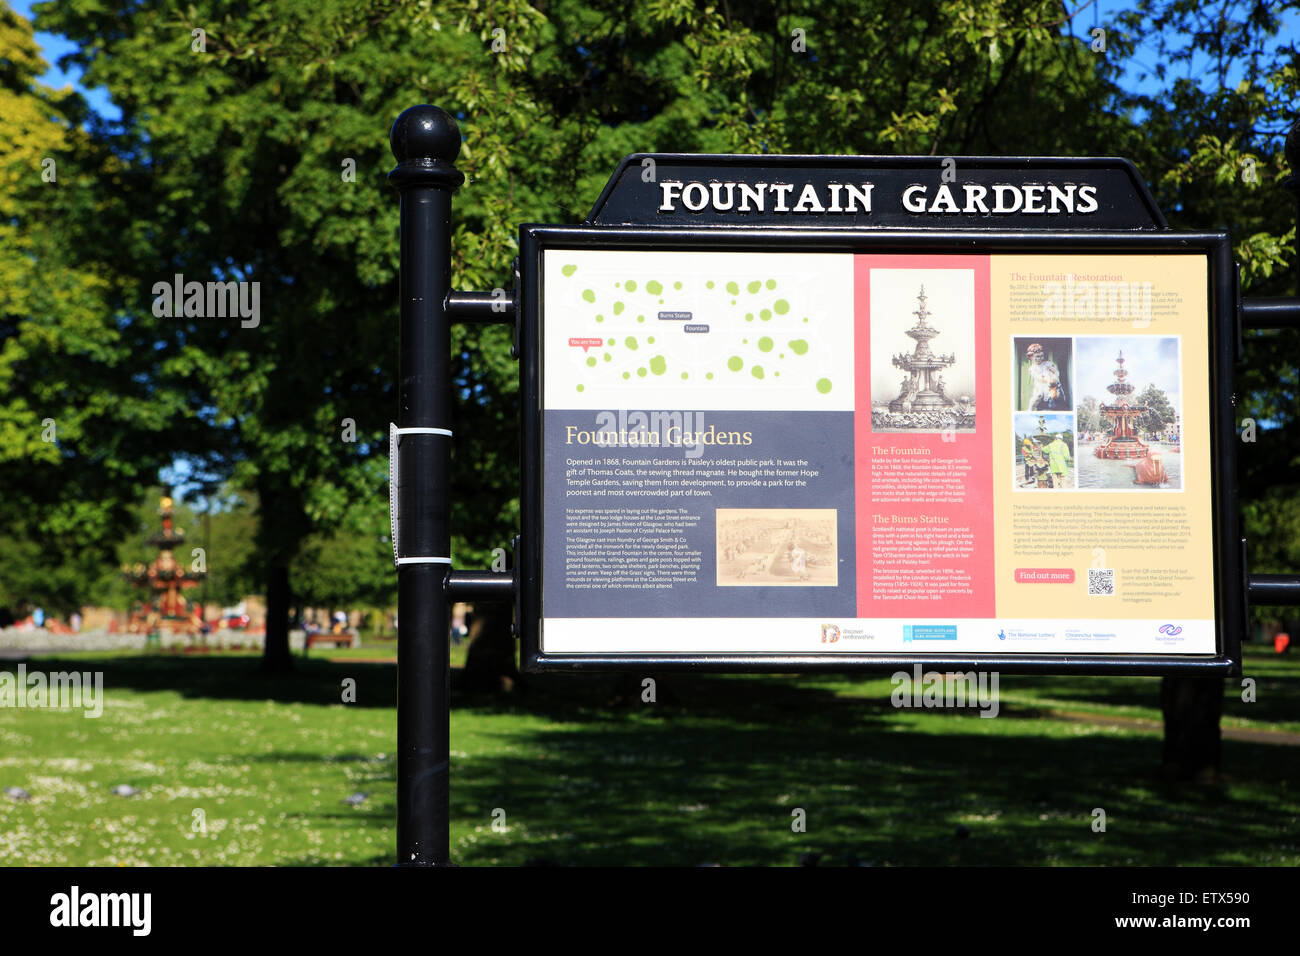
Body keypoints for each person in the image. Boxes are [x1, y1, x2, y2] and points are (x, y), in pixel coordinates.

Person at [1025, 343, 1067, 410]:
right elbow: (1038, 378)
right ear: (1031, 357)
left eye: (1042, 356)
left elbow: (1056, 372)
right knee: (1038, 396)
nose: (1040, 358)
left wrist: (1054, 377)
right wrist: (1047, 380)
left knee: (1054, 398)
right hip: (1040, 386)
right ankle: (1030, 409)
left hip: (1051, 385)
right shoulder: (1032, 369)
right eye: (1037, 356)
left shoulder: (1047, 364)